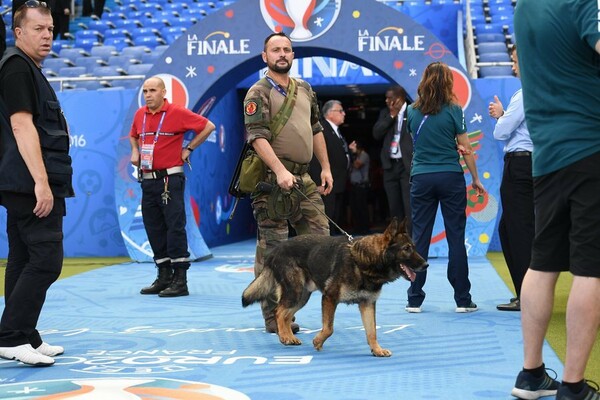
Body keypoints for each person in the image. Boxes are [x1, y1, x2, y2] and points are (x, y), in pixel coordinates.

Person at [511, 1, 600, 399]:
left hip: (546, 154)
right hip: (591, 145)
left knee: (542, 261)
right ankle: (573, 385)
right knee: (590, 267)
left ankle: (531, 374)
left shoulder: (525, 7)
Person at [0, 1, 73, 366]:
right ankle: (11, 335)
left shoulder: (29, 67)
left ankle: (23, 334)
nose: (47, 35)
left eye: (50, 29)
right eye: (38, 29)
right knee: (46, 259)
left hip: (22, 181)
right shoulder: (16, 67)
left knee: (23, 257)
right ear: (18, 32)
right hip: (28, 183)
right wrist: (41, 183)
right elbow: (21, 125)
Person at [244, 32, 332, 334]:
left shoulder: (305, 88)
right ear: (264, 56)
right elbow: (257, 137)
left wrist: (326, 168)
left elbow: (316, 129)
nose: (282, 54)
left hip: (305, 178)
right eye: (276, 50)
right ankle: (273, 317)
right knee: (274, 250)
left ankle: (293, 305)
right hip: (271, 181)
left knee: (322, 243)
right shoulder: (257, 92)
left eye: (287, 49)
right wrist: (280, 171)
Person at [405, 61, 485, 314]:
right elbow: (466, 148)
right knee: (455, 238)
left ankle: (414, 299)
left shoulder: (411, 110)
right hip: (450, 177)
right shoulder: (455, 109)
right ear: (448, 82)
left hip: (421, 178)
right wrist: (475, 179)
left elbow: (417, 142)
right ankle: (462, 299)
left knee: (419, 238)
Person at [129, 76, 215, 298]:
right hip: (147, 180)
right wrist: (135, 151)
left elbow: (208, 126)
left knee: (174, 227)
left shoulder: (176, 112)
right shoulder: (140, 114)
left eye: (153, 90)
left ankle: (180, 280)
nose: (148, 95)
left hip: (170, 180)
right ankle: (164, 275)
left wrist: (189, 149)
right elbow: (133, 135)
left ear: (163, 92)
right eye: (145, 91)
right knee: (153, 227)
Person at [488, 44, 533, 313]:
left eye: (516, 60)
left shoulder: (526, 92)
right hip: (530, 165)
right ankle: (526, 293)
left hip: (520, 166)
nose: (514, 66)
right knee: (513, 230)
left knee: (518, 232)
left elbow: (501, 132)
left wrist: (502, 116)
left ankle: (527, 296)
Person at [373, 85, 413, 234]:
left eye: (390, 97)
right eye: (386, 97)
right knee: (394, 207)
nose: (386, 100)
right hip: (390, 166)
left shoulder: (412, 112)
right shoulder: (385, 113)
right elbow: (376, 134)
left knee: (409, 206)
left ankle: (410, 240)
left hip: (407, 165)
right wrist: (391, 116)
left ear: (400, 98)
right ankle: (397, 241)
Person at [309, 99, 349, 235]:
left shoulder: (335, 130)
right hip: (326, 183)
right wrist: (319, 181)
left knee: (334, 216)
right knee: (326, 217)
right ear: (330, 113)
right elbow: (315, 157)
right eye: (340, 111)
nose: (344, 114)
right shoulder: (322, 128)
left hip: (337, 181)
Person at [348, 139, 370, 235]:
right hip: (354, 185)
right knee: (355, 208)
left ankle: (364, 228)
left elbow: (357, 165)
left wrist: (353, 154)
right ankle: (357, 228)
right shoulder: (357, 155)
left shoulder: (364, 155)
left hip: (361, 185)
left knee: (362, 208)